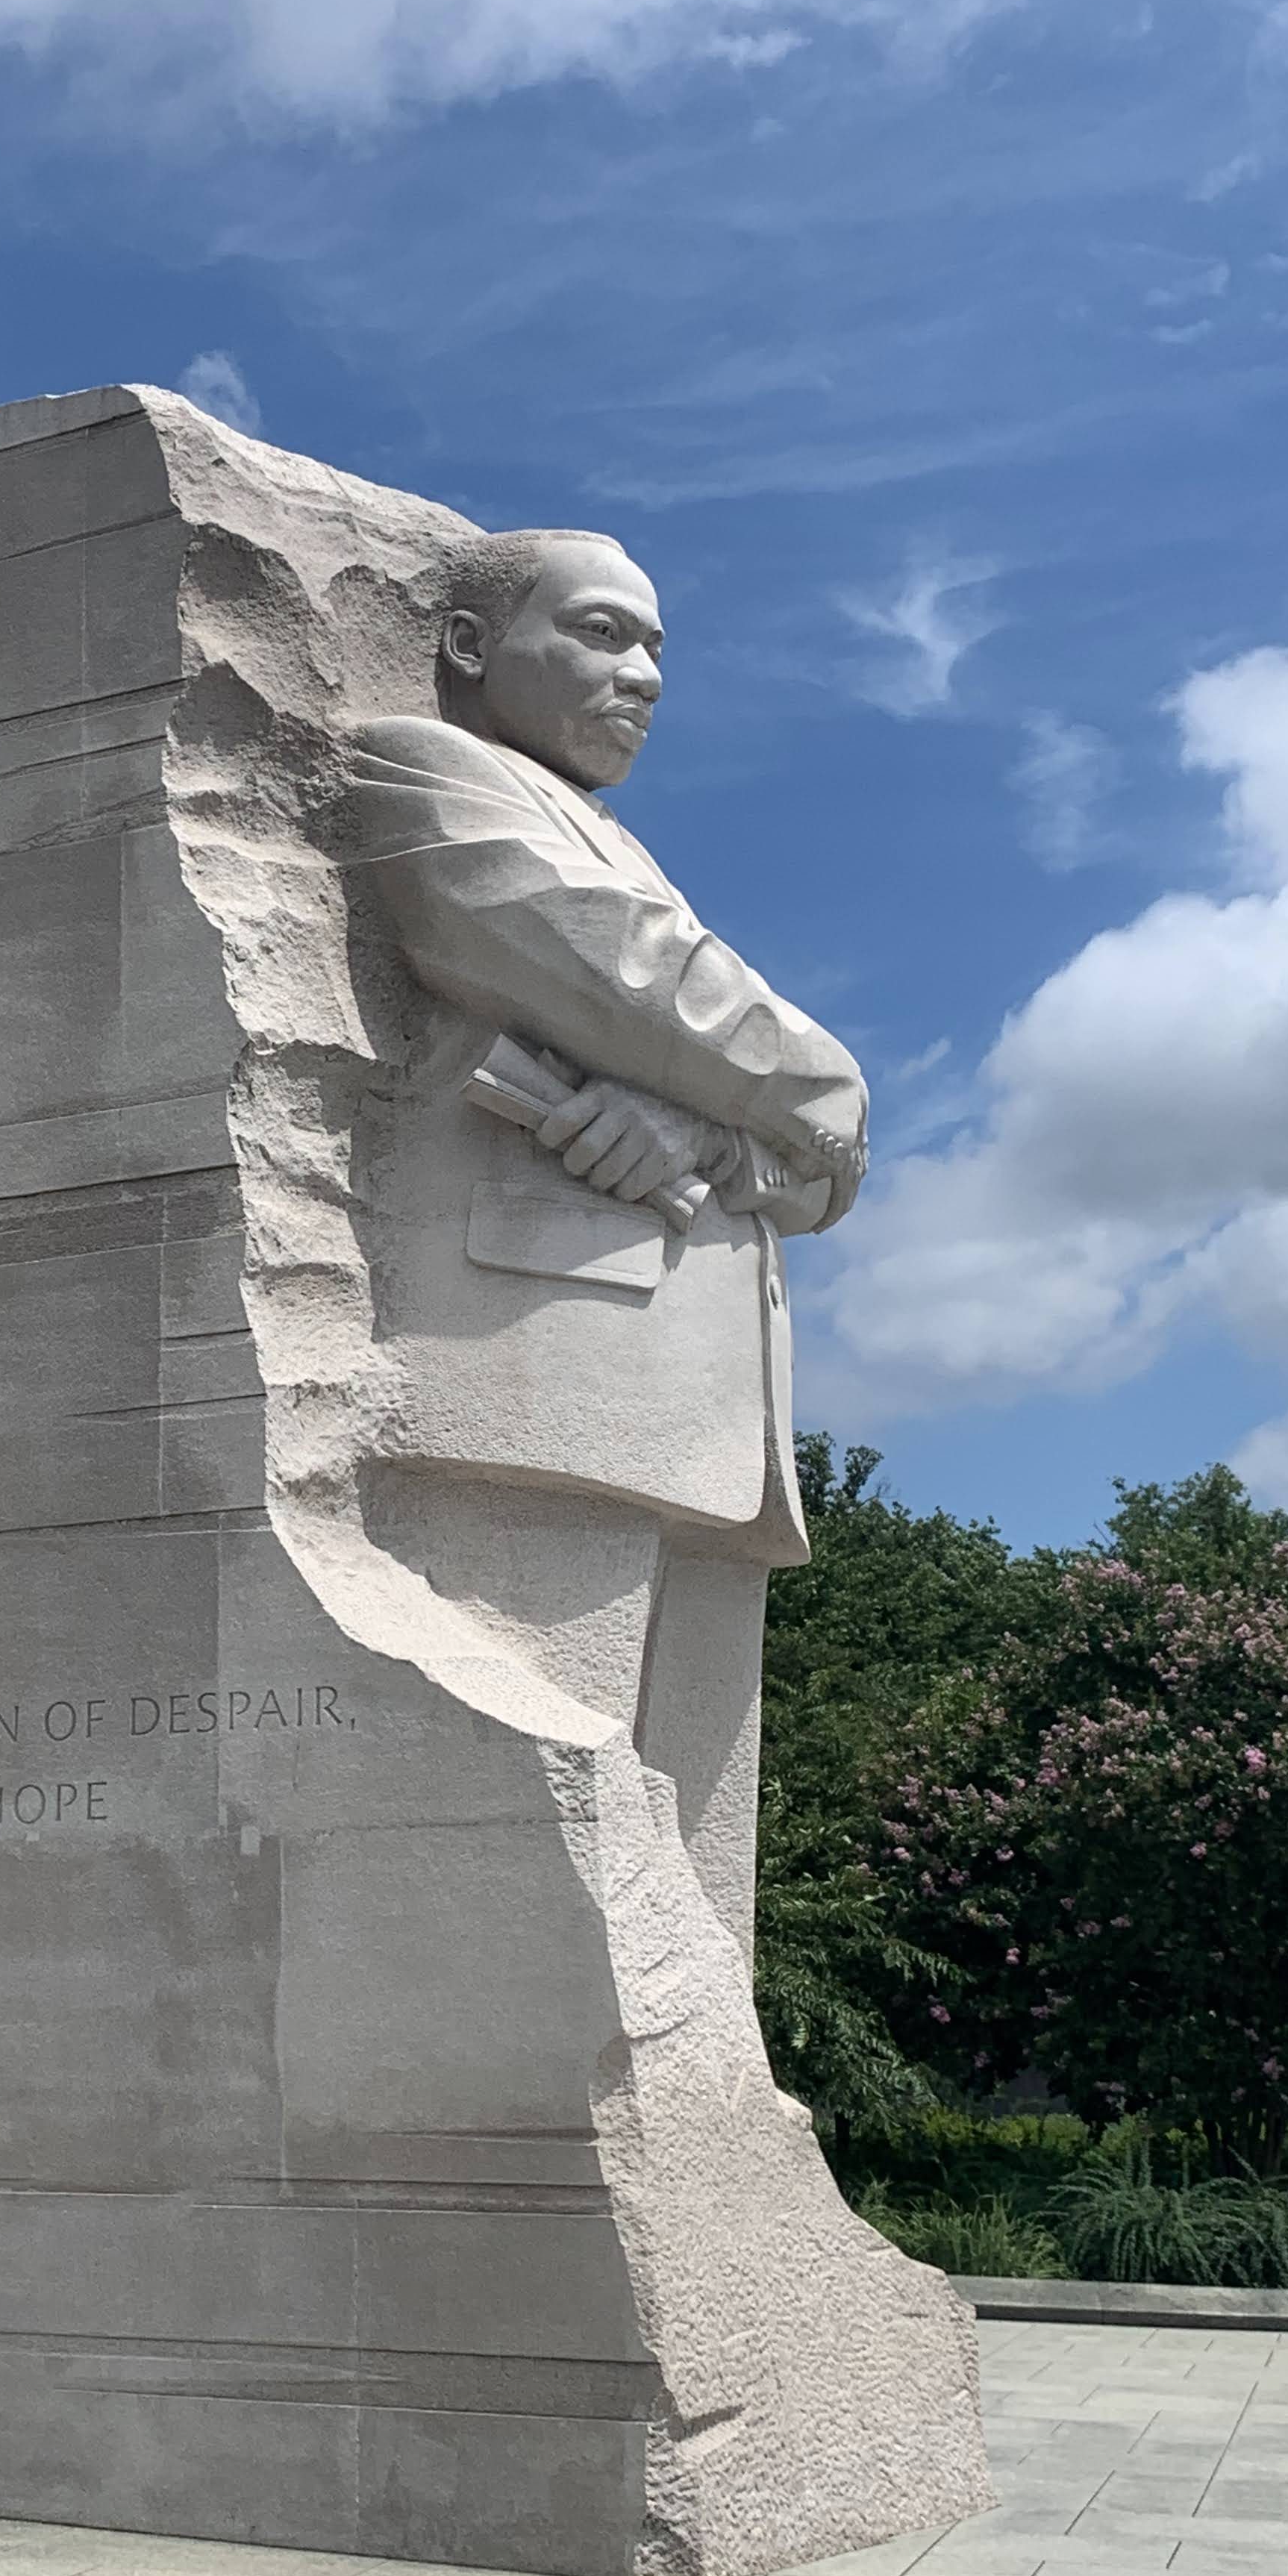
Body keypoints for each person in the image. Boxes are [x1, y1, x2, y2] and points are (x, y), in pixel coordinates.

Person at [343, 528, 869, 1956]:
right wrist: (825, 1094)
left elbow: (809, 1174)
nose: (641, 676)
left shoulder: (620, 840)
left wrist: (708, 1135)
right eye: (598, 634)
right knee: (517, 1878)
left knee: (693, 1899)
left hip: (702, 1416)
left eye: (656, 651)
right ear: (467, 645)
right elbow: (647, 985)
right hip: (532, 1380)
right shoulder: (424, 767)